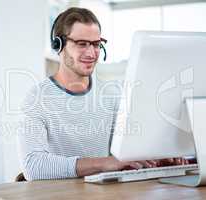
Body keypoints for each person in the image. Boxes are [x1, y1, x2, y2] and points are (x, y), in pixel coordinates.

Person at [18, 7, 188, 181]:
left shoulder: (112, 95)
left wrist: (156, 159)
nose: (92, 53)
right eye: (82, 44)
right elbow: (33, 166)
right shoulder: (37, 99)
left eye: (96, 44)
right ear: (58, 45)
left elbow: (124, 154)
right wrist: (104, 163)